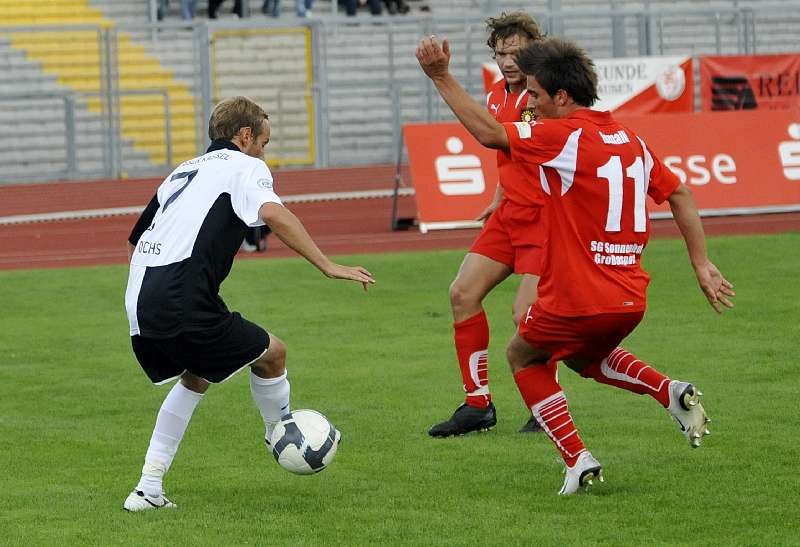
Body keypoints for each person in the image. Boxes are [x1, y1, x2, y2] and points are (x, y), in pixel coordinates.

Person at [416, 36, 735, 494]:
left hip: (580, 296)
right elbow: (681, 193)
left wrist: (441, 77)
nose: (530, 103)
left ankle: (577, 459)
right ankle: (669, 390)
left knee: (523, 354)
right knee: (586, 359)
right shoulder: (631, 140)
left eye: (537, 96)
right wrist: (701, 264)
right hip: (630, 297)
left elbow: (490, 134)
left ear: (561, 97)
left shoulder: (563, 136)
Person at [122, 96, 375, 511]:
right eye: (264, 141)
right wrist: (328, 265)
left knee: (196, 376)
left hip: (141, 301)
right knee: (273, 354)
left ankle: (148, 487)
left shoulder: (181, 170)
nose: (264, 150)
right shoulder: (245, 165)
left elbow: (135, 242)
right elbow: (275, 215)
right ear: (245, 136)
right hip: (183, 297)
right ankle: (280, 431)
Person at [426, 12, 547, 438]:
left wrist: (441, 78)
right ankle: (478, 405)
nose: (508, 61)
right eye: (500, 53)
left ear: (535, 49)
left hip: (544, 219)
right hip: (511, 214)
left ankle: (543, 408)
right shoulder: (498, 94)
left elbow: (499, 137)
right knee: (462, 293)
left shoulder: (542, 97)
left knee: (525, 316)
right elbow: (512, 155)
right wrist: (498, 198)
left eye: (517, 52)